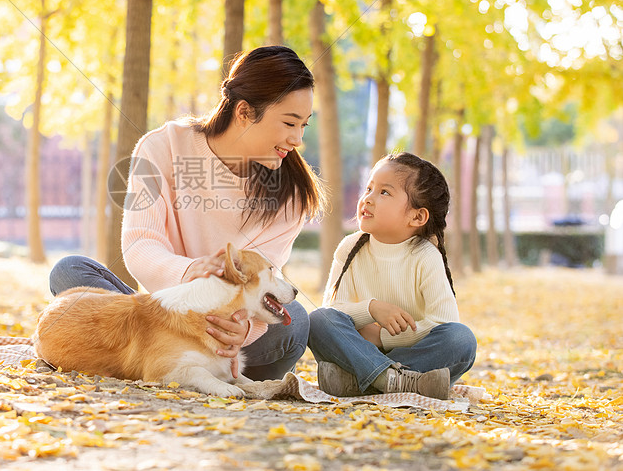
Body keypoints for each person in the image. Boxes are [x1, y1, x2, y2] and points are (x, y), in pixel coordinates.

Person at [49, 45, 325, 381]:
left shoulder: (291, 194)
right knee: (71, 272)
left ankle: (172, 363)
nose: (297, 139)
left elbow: (264, 278)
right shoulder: (163, 147)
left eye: (303, 126)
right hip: (159, 320)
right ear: (243, 112)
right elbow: (140, 245)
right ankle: (162, 358)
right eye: (289, 123)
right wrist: (193, 270)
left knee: (292, 323)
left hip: (222, 330)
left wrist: (242, 328)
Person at [308, 152, 476, 399]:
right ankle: (392, 380)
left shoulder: (426, 256)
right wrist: (371, 309)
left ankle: (361, 380)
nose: (368, 199)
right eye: (369, 188)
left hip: (413, 355)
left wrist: (382, 337)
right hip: (358, 349)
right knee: (318, 320)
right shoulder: (350, 247)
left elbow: (443, 322)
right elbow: (333, 311)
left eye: (384, 192)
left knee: (461, 339)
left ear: (417, 216)